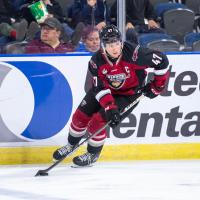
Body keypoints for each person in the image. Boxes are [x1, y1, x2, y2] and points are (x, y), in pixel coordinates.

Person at [53, 24, 169, 167]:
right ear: (103, 45)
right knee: (79, 116)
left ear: (121, 42)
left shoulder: (135, 54)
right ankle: (70, 146)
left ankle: (92, 154)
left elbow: (162, 61)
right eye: (109, 44)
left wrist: (157, 87)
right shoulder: (96, 61)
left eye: (116, 43)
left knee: (97, 123)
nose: (114, 48)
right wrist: (110, 107)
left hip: (128, 95)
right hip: (105, 91)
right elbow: (99, 87)